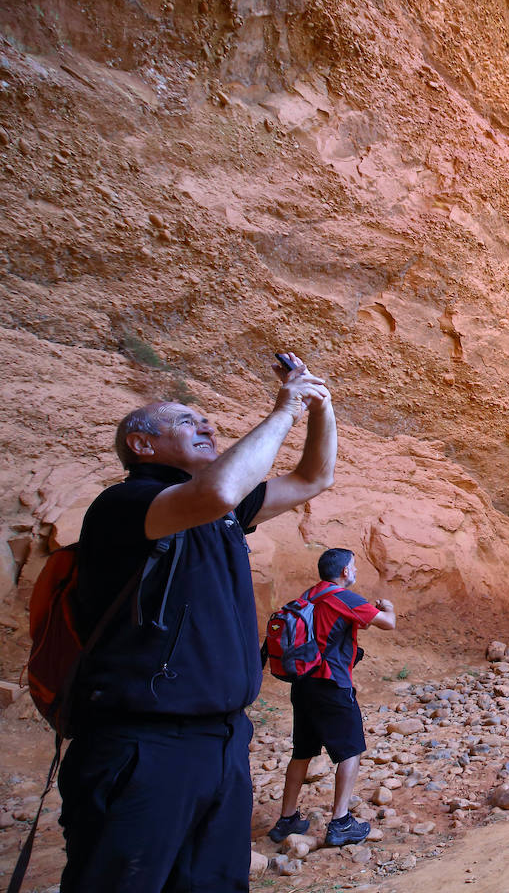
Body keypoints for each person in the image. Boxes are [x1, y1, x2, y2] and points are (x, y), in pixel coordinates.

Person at [60, 353, 336, 892]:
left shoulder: (225, 513)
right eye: (188, 421)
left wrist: (320, 405)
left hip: (224, 740)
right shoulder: (126, 503)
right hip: (144, 743)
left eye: (207, 420)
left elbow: (312, 477)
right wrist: (284, 410)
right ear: (143, 445)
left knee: (212, 882)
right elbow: (216, 491)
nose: (206, 425)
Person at [269, 548, 397, 847]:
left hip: (302, 685)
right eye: (354, 567)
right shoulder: (343, 597)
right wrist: (389, 607)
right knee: (350, 751)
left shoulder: (309, 595)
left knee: (302, 752)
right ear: (343, 572)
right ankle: (340, 823)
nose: (355, 572)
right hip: (331, 684)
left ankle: (287, 820)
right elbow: (387, 623)